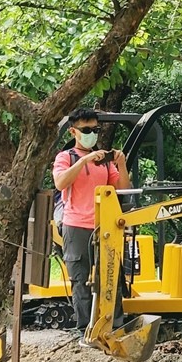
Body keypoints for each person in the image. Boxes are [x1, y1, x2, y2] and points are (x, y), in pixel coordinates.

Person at [52, 109, 131, 342]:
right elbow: (60, 182)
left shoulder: (104, 162)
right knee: (80, 279)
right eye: (87, 130)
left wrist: (122, 164)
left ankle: (115, 328)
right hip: (76, 225)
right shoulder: (66, 157)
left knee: (111, 277)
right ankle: (85, 329)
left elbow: (123, 189)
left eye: (95, 130)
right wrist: (84, 160)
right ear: (74, 131)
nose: (92, 134)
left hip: (105, 226)